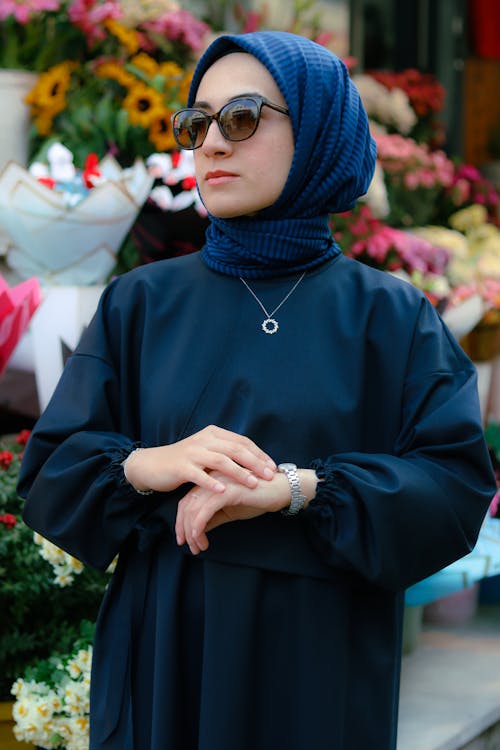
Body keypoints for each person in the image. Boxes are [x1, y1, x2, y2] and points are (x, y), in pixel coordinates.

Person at [18, 30, 496, 750]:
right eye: (195, 123)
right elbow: (53, 476)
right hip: (166, 668)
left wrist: (298, 489)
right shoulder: (141, 303)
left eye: (240, 118)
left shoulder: (389, 318)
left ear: (317, 129)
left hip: (315, 674)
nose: (210, 144)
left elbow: (453, 489)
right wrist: (147, 464)